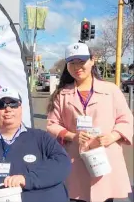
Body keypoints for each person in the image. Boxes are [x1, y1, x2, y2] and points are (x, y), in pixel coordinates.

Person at [47, 42, 133, 202]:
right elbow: (52, 124)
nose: (77, 66)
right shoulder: (62, 94)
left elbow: (126, 119)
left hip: (105, 158)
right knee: (76, 196)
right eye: (72, 63)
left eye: (82, 61)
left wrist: (113, 136)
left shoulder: (111, 90)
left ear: (93, 60)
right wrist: (72, 136)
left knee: (104, 196)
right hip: (75, 161)